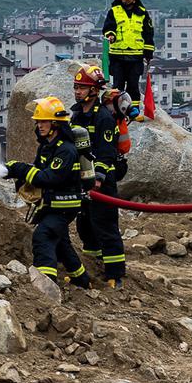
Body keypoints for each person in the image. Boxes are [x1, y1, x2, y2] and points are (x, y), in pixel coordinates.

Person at [4, 96, 89, 290]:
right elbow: (37, 171)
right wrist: (15, 173)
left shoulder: (66, 150)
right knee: (61, 243)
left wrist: (20, 168)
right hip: (52, 204)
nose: (40, 125)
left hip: (64, 205)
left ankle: (46, 286)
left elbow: (49, 178)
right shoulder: (47, 147)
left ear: (56, 123)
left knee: (43, 236)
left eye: (44, 121)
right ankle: (83, 281)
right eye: (38, 121)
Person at [70, 64, 133, 289]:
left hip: (101, 183)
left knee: (105, 225)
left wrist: (98, 179)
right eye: (76, 87)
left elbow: (106, 152)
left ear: (94, 91)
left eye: (82, 87)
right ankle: (93, 262)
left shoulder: (103, 117)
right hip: (82, 179)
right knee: (85, 224)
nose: (78, 91)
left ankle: (115, 273)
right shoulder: (77, 114)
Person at [99, 0, 155, 116]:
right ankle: (117, 111)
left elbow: (148, 34)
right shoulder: (114, 11)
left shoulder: (142, 13)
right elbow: (107, 28)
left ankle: (134, 111)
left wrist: (148, 53)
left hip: (136, 56)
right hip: (117, 56)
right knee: (118, 85)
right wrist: (111, 35)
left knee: (133, 85)